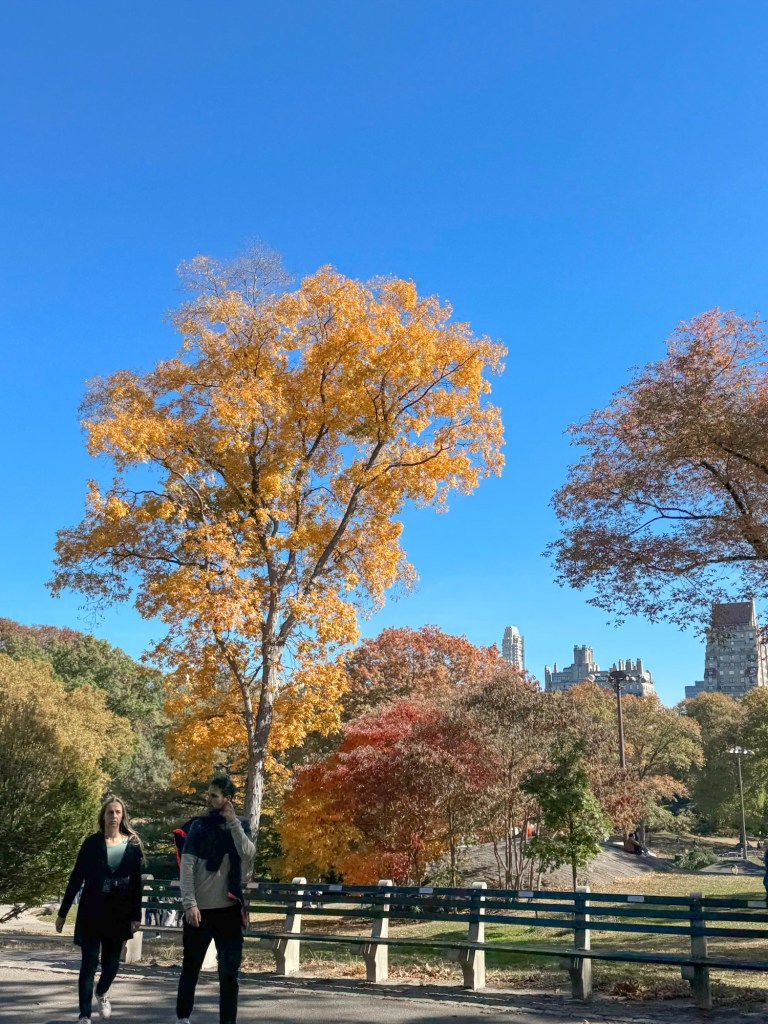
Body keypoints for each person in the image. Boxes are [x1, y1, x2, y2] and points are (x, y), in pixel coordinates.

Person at [56, 795, 143, 1024]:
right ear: (103, 816)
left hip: (119, 914)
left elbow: (137, 883)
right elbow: (77, 877)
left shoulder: (132, 845)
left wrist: (136, 915)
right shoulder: (92, 843)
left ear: (122, 816)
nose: (114, 816)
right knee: (89, 964)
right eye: (110, 812)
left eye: (118, 812)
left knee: (111, 966)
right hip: (92, 912)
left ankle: (102, 992)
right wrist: (63, 912)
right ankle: (84, 1015)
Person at [175, 775, 255, 1024]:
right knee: (191, 968)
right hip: (199, 912)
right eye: (208, 794)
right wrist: (189, 904)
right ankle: (183, 1018)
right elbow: (187, 866)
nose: (208, 799)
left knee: (229, 974)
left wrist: (233, 822)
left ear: (227, 799)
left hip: (229, 912)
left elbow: (248, 853)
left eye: (214, 795)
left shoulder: (240, 825)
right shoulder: (198, 826)